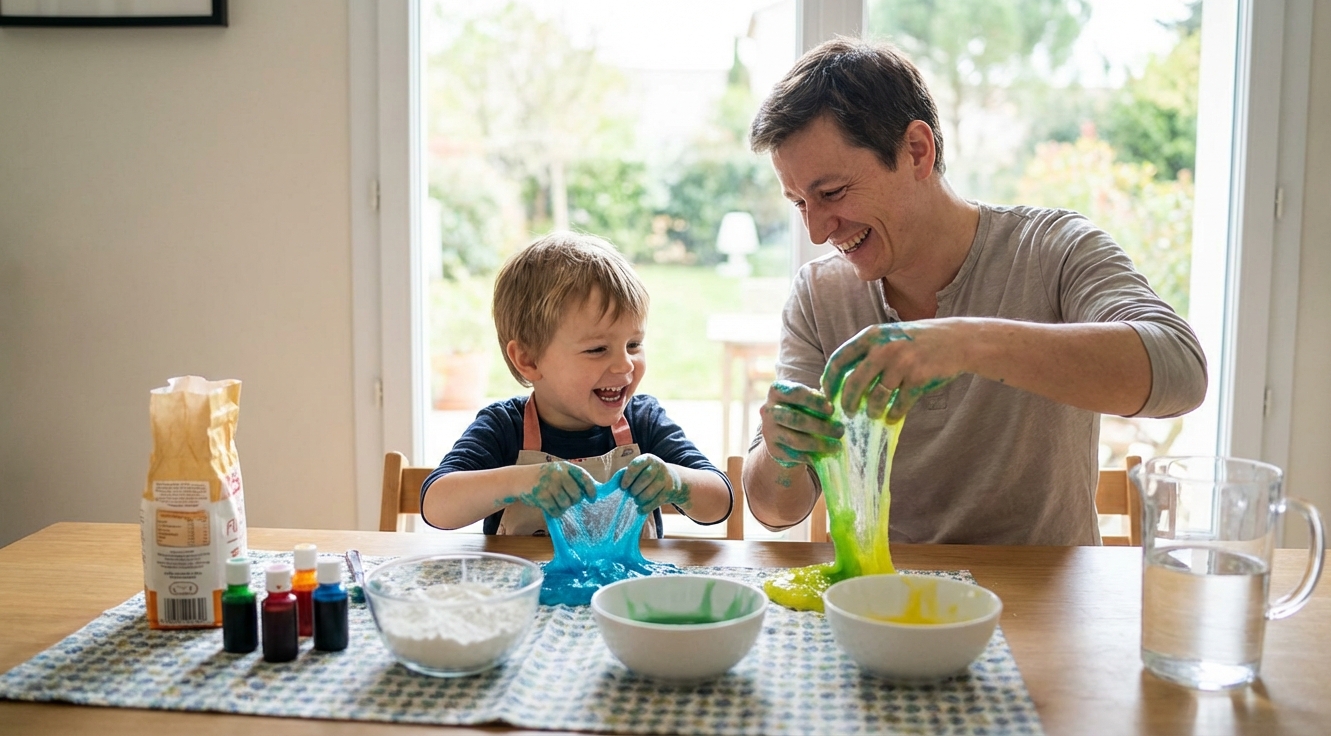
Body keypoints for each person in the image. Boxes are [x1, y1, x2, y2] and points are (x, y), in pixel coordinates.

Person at [743, 38, 1207, 545]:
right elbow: (775, 512)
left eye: (832, 193)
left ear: (916, 151)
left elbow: (1181, 371)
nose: (816, 231)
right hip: (880, 590)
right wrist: (781, 454)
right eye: (799, 203)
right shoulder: (818, 295)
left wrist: (963, 344)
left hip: (1042, 591)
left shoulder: (1053, 249)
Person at [420, 231, 733, 537]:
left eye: (634, 344)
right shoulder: (503, 428)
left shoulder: (644, 421)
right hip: (531, 576)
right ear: (529, 360)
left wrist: (676, 481)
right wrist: (520, 482)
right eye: (597, 349)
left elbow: (720, 502)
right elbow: (436, 506)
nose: (625, 364)